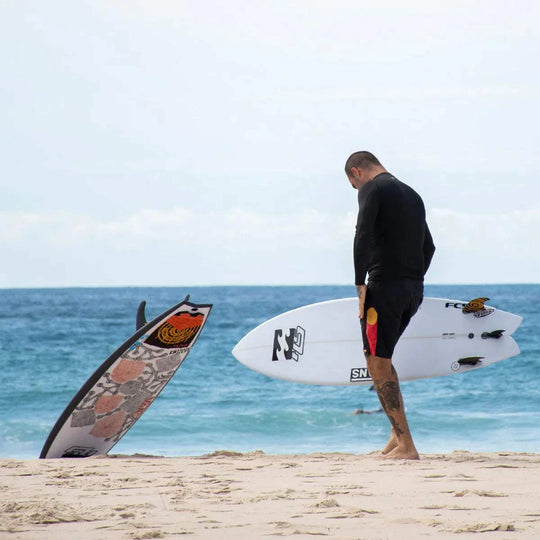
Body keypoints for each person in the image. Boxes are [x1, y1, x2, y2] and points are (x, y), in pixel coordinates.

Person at [344, 151, 435, 460]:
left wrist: (360, 284)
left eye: (353, 186)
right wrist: (413, 279)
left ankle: (407, 447)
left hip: (384, 288)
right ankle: (397, 439)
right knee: (383, 358)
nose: (357, 191)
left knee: (376, 361)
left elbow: (364, 233)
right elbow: (429, 246)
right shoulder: (412, 194)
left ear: (356, 172)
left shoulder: (373, 188)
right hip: (413, 290)